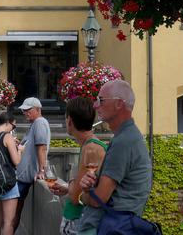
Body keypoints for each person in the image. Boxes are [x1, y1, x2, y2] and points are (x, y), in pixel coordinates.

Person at [78, 80, 152, 235]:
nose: (95, 105)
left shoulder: (124, 141)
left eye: (101, 100)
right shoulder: (128, 136)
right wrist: (88, 185)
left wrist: (85, 195)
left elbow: (99, 199)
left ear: (119, 104)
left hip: (108, 227)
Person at [47, 97, 107, 234]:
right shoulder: (90, 145)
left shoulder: (91, 148)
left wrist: (71, 186)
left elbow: (76, 196)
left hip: (79, 221)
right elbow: (85, 188)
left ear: (70, 121)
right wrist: (68, 188)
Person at [12, 97, 50, 232]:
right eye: (24, 110)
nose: (25, 113)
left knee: (13, 214)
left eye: (28, 110)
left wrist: (41, 170)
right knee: (13, 213)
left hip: (24, 177)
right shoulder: (36, 123)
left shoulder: (39, 122)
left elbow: (42, 148)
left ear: (38, 109)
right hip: (23, 176)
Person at [0, 112, 22, 235]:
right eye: (13, 126)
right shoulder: (7, 137)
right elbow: (16, 161)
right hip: (8, 183)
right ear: (7, 123)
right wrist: (20, 150)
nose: (13, 128)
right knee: (8, 222)